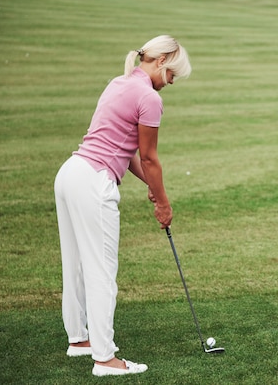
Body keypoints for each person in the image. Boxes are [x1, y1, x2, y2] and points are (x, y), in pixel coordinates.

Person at [54, 35, 191, 376]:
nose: (171, 82)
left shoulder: (119, 83)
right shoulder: (149, 97)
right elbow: (149, 156)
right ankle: (105, 359)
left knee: (76, 265)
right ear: (161, 61)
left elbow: (127, 151)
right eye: (172, 74)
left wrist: (151, 186)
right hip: (94, 182)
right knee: (101, 273)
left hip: (71, 173)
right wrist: (163, 202)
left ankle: (79, 339)